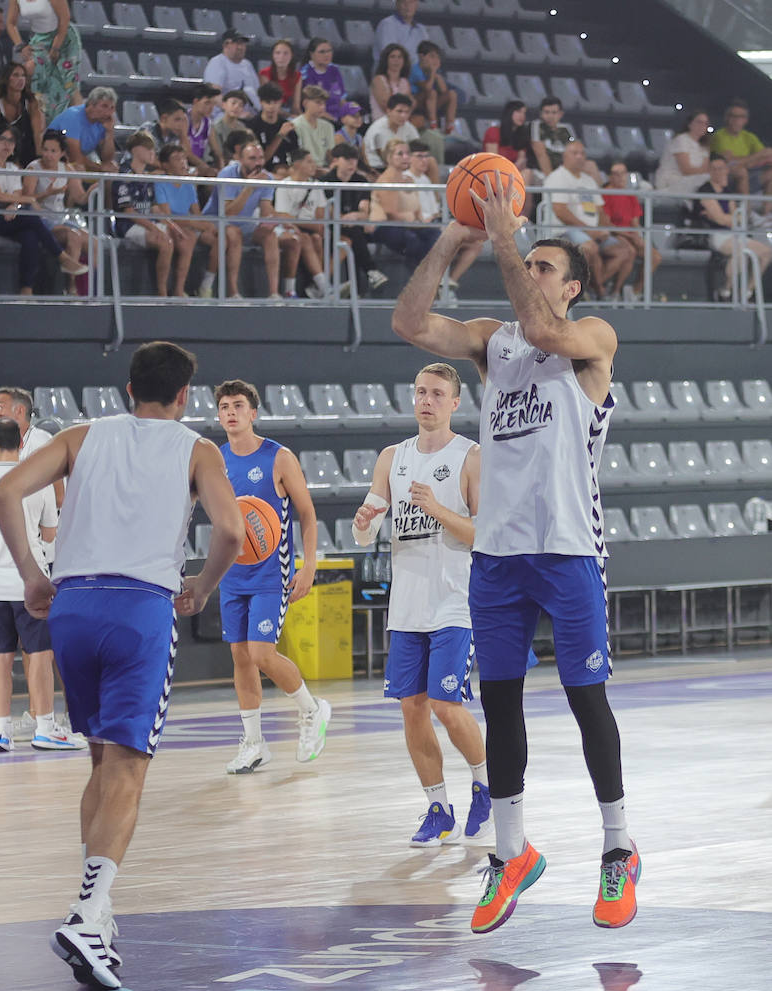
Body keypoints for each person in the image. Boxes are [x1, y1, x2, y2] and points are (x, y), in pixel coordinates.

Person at [391, 172, 641, 934]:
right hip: (498, 553)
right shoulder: (490, 342)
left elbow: (544, 332)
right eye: (526, 260)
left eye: (542, 266)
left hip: (567, 548)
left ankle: (618, 845)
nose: (528, 271)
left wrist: (501, 234)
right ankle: (510, 853)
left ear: (571, 288)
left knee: (583, 694)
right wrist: (452, 234)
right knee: (498, 702)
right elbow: (408, 321)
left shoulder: (591, 338)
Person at [0, 340, 243, 990]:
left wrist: (29, 574)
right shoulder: (198, 449)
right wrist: (205, 584)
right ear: (185, 396)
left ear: (128, 389)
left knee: (101, 762)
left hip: (73, 604)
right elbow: (233, 531)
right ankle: (88, 912)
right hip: (139, 607)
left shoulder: (81, 435)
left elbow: (6, 490)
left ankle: (96, 915)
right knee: (129, 768)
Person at [352, 362, 491, 845]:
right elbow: (365, 528)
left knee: (445, 703)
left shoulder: (470, 456)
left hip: (454, 600)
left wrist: (437, 508)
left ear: (455, 403)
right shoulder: (393, 457)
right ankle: (438, 806)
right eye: (420, 392)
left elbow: (485, 533)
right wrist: (365, 520)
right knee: (412, 708)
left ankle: (485, 785)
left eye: (437, 393)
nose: (426, 400)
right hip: (407, 604)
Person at [213, 379, 332, 774]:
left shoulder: (278, 457)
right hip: (232, 573)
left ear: (253, 413)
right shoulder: (215, 460)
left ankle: (312, 710)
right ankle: (254, 743)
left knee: (261, 653)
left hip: (271, 574)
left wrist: (308, 564)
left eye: (238, 405)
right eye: (224, 406)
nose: (231, 412)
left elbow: (308, 514)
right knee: (239, 656)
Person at [0, 416, 82, 752]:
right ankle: (44, 726)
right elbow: (49, 533)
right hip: (32, 583)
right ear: (21, 444)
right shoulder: (37, 482)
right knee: (40, 655)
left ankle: (2, 731)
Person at [0, 125, 90, 294]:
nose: (6, 144)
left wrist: (14, 206)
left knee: (30, 235)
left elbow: (15, 196)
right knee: (30, 217)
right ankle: (63, 258)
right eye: (2, 139)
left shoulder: (13, 169)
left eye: (11, 141)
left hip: (1, 215)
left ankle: (26, 290)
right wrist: (27, 200)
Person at [199, 138, 294, 299]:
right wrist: (249, 187)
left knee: (270, 236)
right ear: (240, 159)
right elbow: (228, 212)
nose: (258, 163)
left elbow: (265, 210)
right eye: (252, 158)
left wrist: (272, 221)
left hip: (245, 224)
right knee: (234, 233)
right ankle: (233, 293)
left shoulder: (267, 178)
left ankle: (274, 294)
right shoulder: (227, 174)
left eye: (261, 158)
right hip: (216, 221)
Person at [542, 140, 636, 300]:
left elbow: (601, 212)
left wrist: (604, 230)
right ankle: (600, 290)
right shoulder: (557, 178)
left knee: (625, 251)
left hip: (590, 231)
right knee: (590, 248)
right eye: (575, 153)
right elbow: (560, 211)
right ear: (565, 156)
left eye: (582, 153)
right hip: (564, 230)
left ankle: (588, 288)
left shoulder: (588, 180)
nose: (579, 157)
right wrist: (589, 230)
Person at [113, 131, 190, 298]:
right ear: (135, 150)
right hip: (128, 225)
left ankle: (178, 290)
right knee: (165, 241)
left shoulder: (147, 177)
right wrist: (155, 229)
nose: (152, 153)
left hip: (147, 222)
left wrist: (174, 227)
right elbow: (129, 213)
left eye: (153, 149)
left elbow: (155, 209)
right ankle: (161, 292)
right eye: (147, 148)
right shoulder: (125, 175)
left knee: (180, 238)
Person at [408, 140, 478, 301]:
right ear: (409, 158)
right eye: (419, 156)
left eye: (426, 156)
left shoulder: (426, 179)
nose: (424, 160)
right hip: (419, 226)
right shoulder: (406, 179)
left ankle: (449, 281)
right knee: (449, 240)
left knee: (475, 244)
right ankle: (438, 286)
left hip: (435, 223)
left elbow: (435, 208)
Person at [696, 155, 772, 301]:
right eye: (715, 169)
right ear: (709, 171)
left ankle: (748, 292)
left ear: (726, 170)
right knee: (740, 252)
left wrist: (728, 218)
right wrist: (729, 218)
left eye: (721, 168)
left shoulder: (727, 192)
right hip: (715, 235)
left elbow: (738, 218)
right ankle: (726, 291)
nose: (719, 172)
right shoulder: (705, 190)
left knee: (766, 252)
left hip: (733, 234)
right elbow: (720, 219)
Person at [24, 129, 90, 292]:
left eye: (53, 151)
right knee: (73, 236)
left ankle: (91, 290)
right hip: (41, 219)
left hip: (62, 219)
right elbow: (27, 198)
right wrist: (48, 193)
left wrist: (94, 189)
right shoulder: (33, 168)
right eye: (45, 149)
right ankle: (70, 286)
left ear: (61, 153)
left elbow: (80, 198)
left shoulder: (66, 169)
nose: (48, 154)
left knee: (93, 243)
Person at [323, 142, 387, 293]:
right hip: (331, 225)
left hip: (354, 225)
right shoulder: (326, 181)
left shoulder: (361, 181)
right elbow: (331, 213)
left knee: (356, 233)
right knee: (355, 233)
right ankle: (371, 272)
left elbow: (364, 212)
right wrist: (347, 218)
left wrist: (354, 216)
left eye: (354, 159)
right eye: (347, 159)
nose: (352, 163)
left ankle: (359, 287)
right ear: (337, 160)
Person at [6, 0, 81, 123]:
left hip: (63, 37)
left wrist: (55, 48)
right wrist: (20, 46)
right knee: (35, 76)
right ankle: (42, 122)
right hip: (40, 37)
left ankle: (75, 125)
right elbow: (10, 23)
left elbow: (64, 19)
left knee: (69, 84)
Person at [372, 139, 438, 268]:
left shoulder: (409, 180)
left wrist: (420, 221)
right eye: (400, 154)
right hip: (386, 226)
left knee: (434, 234)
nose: (405, 158)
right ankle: (419, 278)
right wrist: (415, 221)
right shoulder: (386, 180)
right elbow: (390, 213)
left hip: (410, 223)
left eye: (407, 154)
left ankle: (432, 277)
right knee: (412, 239)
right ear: (389, 158)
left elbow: (417, 208)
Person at [273, 148, 330, 299]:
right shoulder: (285, 186)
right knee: (303, 238)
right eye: (309, 162)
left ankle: (317, 287)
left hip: (307, 228)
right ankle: (322, 287)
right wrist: (306, 224)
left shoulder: (316, 186)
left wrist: (307, 225)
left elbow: (320, 218)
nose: (314, 166)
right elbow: (283, 216)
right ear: (297, 164)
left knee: (317, 239)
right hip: (288, 228)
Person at [601, 161, 661, 303]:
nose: (620, 177)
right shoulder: (605, 194)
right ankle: (615, 291)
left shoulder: (630, 194)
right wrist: (628, 235)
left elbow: (635, 221)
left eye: (623, 173)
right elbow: (607, 224)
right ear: (610, 177)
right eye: (616, 174)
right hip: (614, 234)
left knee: (655, 256)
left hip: (629, 234)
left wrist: (637, 235)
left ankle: (634, 291)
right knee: (630, 251)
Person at [0, 61, 45, 167]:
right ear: (6, 79)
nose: (21, 79)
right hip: (2, 153)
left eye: (23, 75)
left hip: (27, 152)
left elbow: (37, 134)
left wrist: (39, 160)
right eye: (16, 75)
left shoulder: (31, 102)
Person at [710, 99, 772, 199]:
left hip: (750, 176)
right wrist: (756, 157)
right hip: (726, 178)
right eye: (733, 116)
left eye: (741, 117)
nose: (737, 120)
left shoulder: (749, 137)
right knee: (741, 171)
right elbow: (729, 163)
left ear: (746, 120)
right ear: (727, 118)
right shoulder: (719, 136)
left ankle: (766, 214)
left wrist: (745, 160)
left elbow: (768, 156)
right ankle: (746, 213)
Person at [48, 86, 117, 172]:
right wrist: (101, 168)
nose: (108, 112)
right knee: (78, 167)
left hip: (76, 164)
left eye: (112, 108)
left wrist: (109, 132)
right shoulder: (73, 116)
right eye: (104, 106)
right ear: (91, 104)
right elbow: (75, 158)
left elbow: (107, 159)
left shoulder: (102, 122)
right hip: (55, 161)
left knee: (113, 167)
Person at [245, 81, 299, 174]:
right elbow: (259, 161)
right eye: (268, 102)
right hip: (260, 172)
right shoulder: (252, 126)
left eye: (275, 102)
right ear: (261, 102)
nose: (272, 107)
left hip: (286, 171)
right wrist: (280, 135)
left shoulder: (287, 126)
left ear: (281, 102)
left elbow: (296, 156)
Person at [654, 108, 712, 194]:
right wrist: (704, 171)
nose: (703, 126)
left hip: (692, 181)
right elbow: (686, 170)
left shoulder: (703, 146)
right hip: (672, 180)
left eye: (705, 123)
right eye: (699, 122)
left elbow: (706, 168)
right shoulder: (681, 140)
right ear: (690, 124)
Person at [202, 29, 259, 114]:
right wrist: (236, 113)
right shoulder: (217, 63)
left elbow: (256, 92)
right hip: (223, 114)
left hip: (249, 114)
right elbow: (214, 95)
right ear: (226, 44)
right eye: (237, 43)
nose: (241, 47)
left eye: (243, 44)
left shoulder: (247, 64)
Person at [409, 40, 456, 135]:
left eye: (437, 57)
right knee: (432, 93)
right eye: (432, 56)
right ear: (421, 56)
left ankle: (449, 127)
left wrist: (437, 75)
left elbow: (444, 90)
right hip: (415, 102)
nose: (435, 60)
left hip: (429, 103)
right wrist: (433, 72)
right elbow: (427, 88)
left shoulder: (430, 70)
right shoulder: (415, 69)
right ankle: (433, 125)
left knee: (452, 94)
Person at [300, 37, 349, 122]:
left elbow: (342, 100)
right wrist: (335, 121)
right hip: (319, 119)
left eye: (329, 51)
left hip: (338, 119)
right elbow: (314, 107)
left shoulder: (334, 69)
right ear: (312, 54)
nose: (327, 55)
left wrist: (347, 116)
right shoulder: (306, 73)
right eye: (322, 52)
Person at [527, 96, 575, 179]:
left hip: (564, 171)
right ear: (541, 114)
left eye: (554, 112)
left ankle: (603, 191)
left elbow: (574, 146)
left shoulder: (566, 129)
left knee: (590, 165)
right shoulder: (537, 126)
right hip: (542, 173)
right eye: (547, 112)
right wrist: (552, 180)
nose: (550, 116)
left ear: (560, 114)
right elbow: (540, 152)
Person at [292, 85, 336, 169]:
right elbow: (298, 157)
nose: (323, 107)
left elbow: (330, 154)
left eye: (324, 103)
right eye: (318, 102)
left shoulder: (328, 127)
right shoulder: (295, 125)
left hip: (325, 169)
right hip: (304, 169)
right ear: (305, 103)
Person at [374, 0, 428, 64]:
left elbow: (426, 56)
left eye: (411, 2)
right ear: (397, 4)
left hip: (415, 71)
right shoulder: (387, 24)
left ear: (416, 5)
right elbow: (392, 56)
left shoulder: (421, 29)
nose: (407, 6)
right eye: (403, 2)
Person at [370, 43, 412, 123]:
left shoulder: (404, 82)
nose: (396, 60)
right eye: (392, 57)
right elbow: (386, 106)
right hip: (382, 124)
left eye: (399, 57)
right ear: (386, 60)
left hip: (401, 123)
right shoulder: (378, 80)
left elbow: (409, 107)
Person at [186, 83, 222, 173]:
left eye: (213, 104)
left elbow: (216, 152)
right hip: (183, 165)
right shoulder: (184, 119)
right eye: (207, 103)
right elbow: (187, 153)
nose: (211, 108)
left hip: (198, 166)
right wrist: (206, 168)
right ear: (195, 101)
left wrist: (222, 169)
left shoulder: (208, 123)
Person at [258, 38, 300, 115]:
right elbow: (269, 104)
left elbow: (296, 106)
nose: (281, 57)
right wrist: (290, 116)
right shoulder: (264, 74)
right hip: (271, 113)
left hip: (288, 112)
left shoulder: (297, 76)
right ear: (273, 55)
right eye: (277, 53)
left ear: (292, 56)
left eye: (286, 53)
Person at [212, 89, 251, 168]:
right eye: (233, 103)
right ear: (224, 105)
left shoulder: (242, 128)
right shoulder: (216, 127)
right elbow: (218, 154)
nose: (236, 107)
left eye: (241, 105)